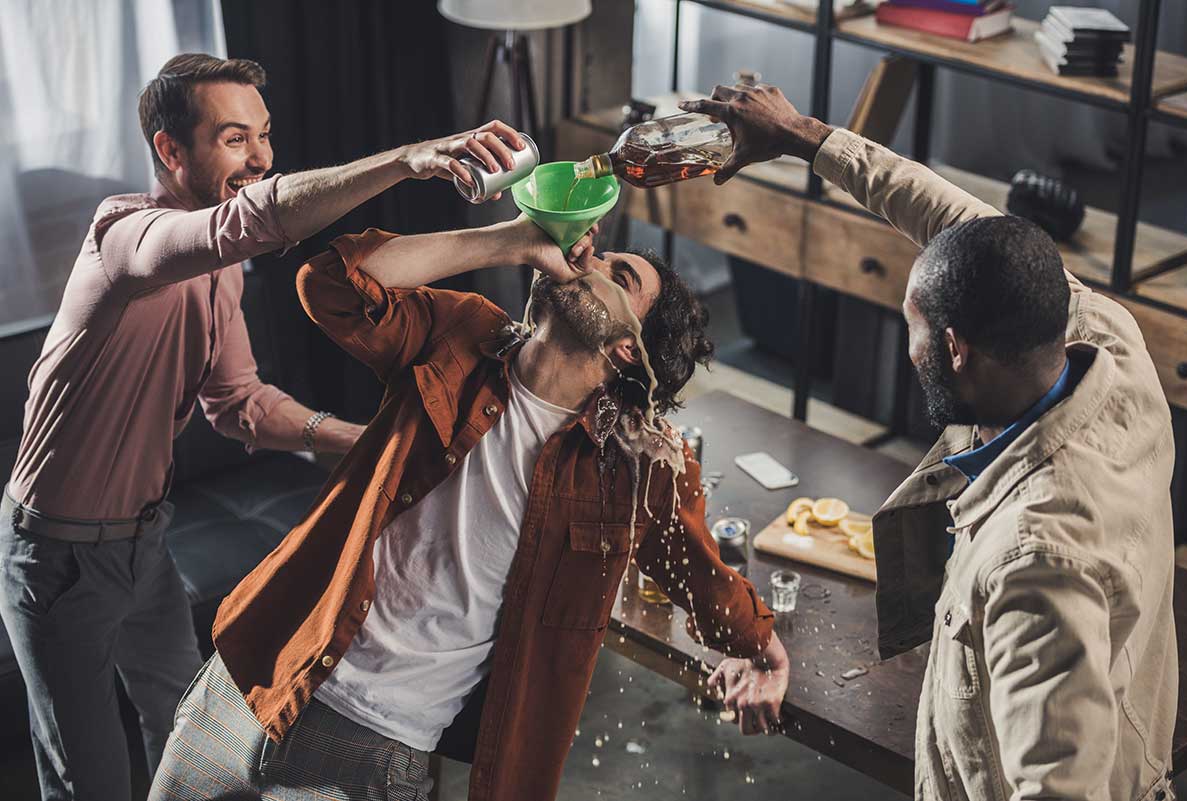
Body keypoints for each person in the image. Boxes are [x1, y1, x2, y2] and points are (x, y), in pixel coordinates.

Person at [0, 52, 531, 801]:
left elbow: (240, 402)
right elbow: (250, 220)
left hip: (147, 544)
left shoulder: (222, 272)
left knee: (183, 743)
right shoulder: (124, 237)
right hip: (56, 556)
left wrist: (367, 441)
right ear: (170, 151)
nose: (262, 157)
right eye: (235, 139)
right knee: (87, 780)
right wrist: (409, 160)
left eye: (265, 135)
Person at [148, 210, 789, 800]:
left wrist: (760, 646)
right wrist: (513, 239)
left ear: (629, 347)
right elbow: (330, 283)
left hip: (376, 740)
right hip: (257, 667)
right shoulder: (463, 333)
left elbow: (699, 573)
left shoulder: (638, 465)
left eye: (617, 274)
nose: (587, 259)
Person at [683, 84, 1177, 801]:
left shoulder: (1037, 563)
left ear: (953, 347)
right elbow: (952, 219)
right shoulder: (1102, 338)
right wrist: (804, 136)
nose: (905, 345)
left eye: (911, 326)